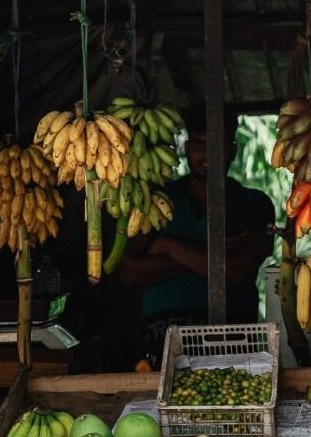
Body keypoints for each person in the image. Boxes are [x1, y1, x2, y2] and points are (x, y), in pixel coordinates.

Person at [116, 105, 273, 363]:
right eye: (199, 143)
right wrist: (215, 253)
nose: (208, 153)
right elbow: (129, 272)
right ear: (187, 148)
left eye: (218, 144)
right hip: (163, 339)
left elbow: (238, 270)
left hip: (234, 338)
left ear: (233, 150)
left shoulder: (254, 203)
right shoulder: (157, 200)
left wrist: (167, 245)